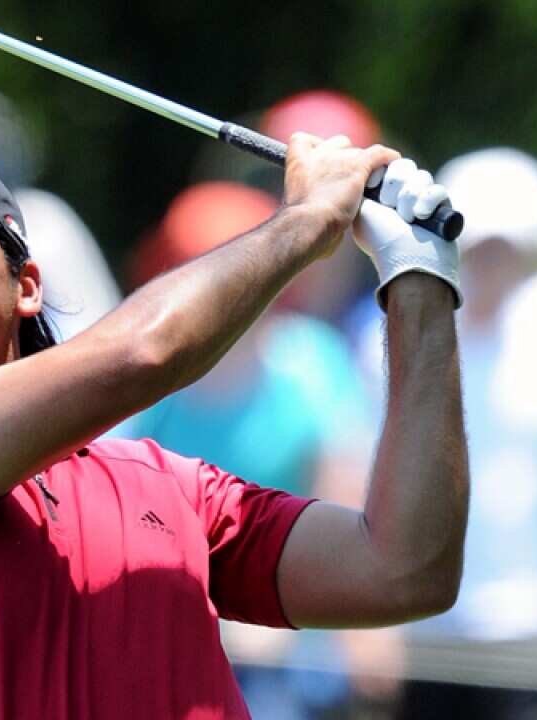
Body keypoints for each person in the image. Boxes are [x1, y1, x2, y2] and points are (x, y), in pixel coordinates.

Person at [0, 134, 468, 718]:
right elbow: (147, 351)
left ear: (26, 286)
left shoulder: (167, 484)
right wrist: (306, 221)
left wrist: (418, 280)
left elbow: (404, 571)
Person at [128, 181, 401, 718]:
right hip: (182, 635)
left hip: (299, 639)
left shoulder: (312, 363)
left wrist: (360, 624)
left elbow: (349, 502)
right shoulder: (145, 390)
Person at [348, 147, 537, 719]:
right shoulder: (387, 338)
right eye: (480, 250)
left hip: (534, 627)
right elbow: (359, 472)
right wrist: (359, 615)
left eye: (507, 252)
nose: (492, 267)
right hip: (419, 625)